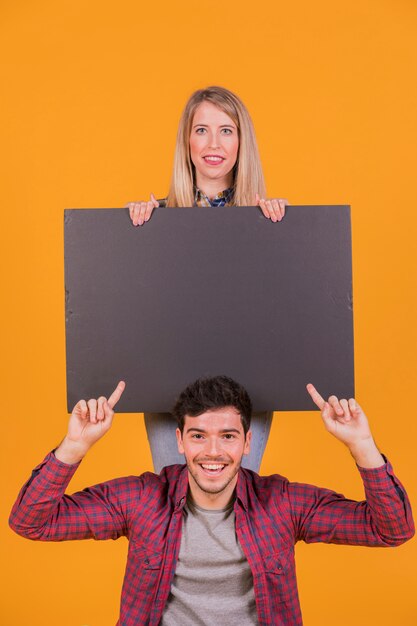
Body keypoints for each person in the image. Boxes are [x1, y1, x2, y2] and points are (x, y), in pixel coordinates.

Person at [10, 377, 414, 626]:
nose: (213, 451)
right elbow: (31, 522)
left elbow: (392, 530)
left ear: (247, 442)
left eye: (228, 436)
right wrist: (75, 446)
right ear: (180, 441)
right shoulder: (142, 499)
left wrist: (362, 446)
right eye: (199, 435)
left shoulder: (282, 502)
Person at [125, 86, 289, 473]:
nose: (213, 143)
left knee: (237, 502)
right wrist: (136, 238)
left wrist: (280, 235)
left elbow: (284, 315)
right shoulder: (153, 222)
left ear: (241, 142)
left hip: (247, 388)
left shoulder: (268, 224)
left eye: (226, 130)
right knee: (175, 501)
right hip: (170, 389)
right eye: (201, 130)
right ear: (187, 141)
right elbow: (136, 311)